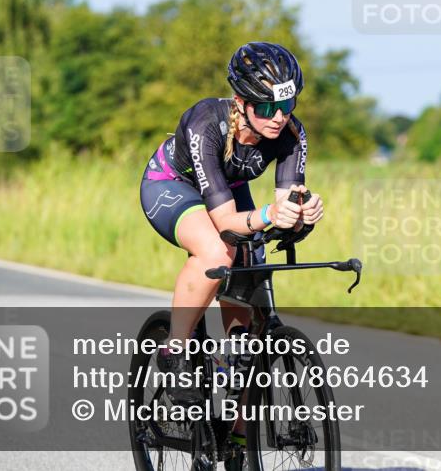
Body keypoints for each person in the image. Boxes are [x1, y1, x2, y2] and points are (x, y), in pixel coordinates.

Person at [139, 42, 324, 407]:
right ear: (241, 102)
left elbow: (284, 206)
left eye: (287, 106)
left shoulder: (290, 134)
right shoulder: (206, 121)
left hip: (229, 190)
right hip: (172, 186)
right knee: (217, 249)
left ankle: (239, 434)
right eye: (268, 107)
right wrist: (270, 214)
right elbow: (225, 222)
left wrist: (301, 215)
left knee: (250, 287)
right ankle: (174, 354)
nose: (279, 117)